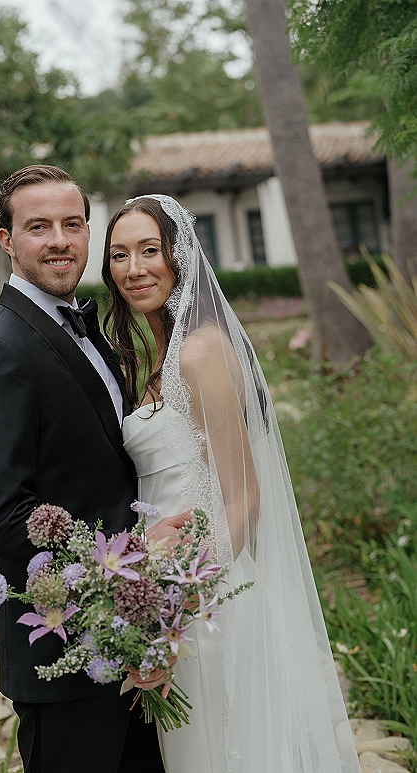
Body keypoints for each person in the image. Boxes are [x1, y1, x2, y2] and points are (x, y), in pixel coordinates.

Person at [102, 194, 362, 773]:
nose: (134, 268)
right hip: (168, 584)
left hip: (207, 595)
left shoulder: (202, 352)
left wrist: (177, 605)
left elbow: (244, 496)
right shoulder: (159, 352)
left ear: (181, 255)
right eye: (119, 254)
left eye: (151, 250)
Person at [0, 166, 185, 773]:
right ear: (6, 241)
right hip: (67, 657)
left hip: (128, 642)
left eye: (72, 224)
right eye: (38, 227)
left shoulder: (87, 327)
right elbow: (2, 519)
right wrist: (122, 565)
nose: (59, 240)